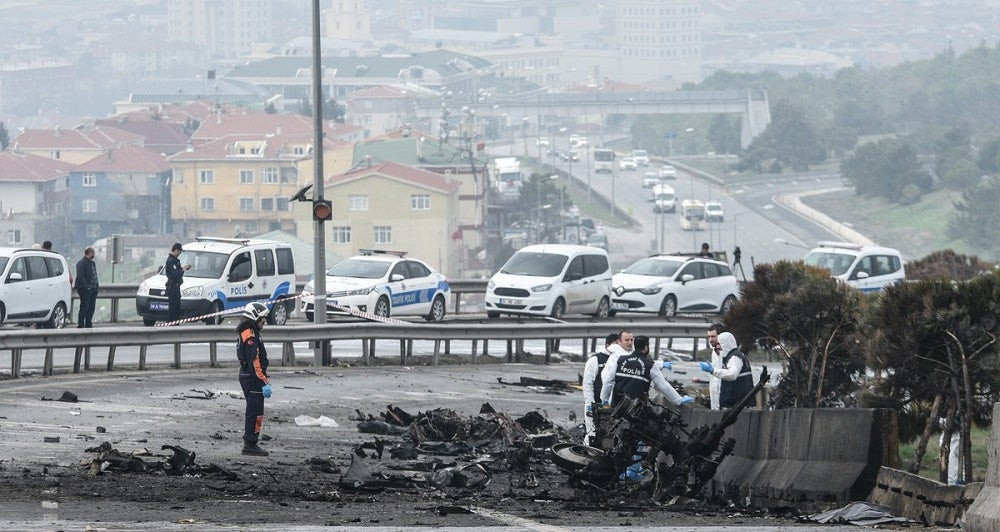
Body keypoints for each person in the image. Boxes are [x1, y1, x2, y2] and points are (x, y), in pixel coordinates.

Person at [599, 335, 693, 407]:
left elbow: (609, 381)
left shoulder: (620, 360)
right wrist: (678, 400)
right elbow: (662, 385)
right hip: (636, 408)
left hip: (617, 405)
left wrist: (604, 399)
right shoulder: (650, 365)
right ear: (646, 347)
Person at [237, 302, 272, 456]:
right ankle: (251, 443)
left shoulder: (249, 332)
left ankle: (251, 441)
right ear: (255, 317)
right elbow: (254, 361)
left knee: (256, 411)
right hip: (252, 378)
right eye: (262, 320)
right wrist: (263, 381)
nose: (264, 323)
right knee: (255, 411)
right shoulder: (250, 334)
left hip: (249, 376)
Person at [582, 333, 626, 445]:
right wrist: (589, 404)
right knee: (593, 434)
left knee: (612, 437)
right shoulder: (595, 360)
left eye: (619, 344)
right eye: (615, 344)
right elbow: (587, 384)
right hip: (597, 404)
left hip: (614, 407)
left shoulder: (621, 359)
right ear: (607, 345)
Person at [698, 331, 754, 409]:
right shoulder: (732, 356)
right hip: (737, 404)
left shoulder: (735, 357)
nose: (718, 347)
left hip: (739, 404)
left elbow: (732, 375)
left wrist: (713, 370)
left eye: (719, 344)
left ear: (726, 344)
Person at [164, 242, 190, 323]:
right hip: (172, 287)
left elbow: (178, 271)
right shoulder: (171, 261)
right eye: (179, 252)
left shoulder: (175, 261)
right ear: (176, 250)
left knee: (177, 307)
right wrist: (183, 270)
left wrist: (184, 268)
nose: (179, 254)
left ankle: (175, 323)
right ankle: (170, 324)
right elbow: (175, 274)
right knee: (173, 307)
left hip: (176, 286)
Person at [74, 247, 99, 328]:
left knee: (91, 307)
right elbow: (80, 277)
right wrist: (86, 287)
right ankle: (81, 324)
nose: (94, 254)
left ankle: (89, 323)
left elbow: (94, 275)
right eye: (93, 252)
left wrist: (96, 286)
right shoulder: (81, 263)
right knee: (84, 307)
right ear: (89, 253)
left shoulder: (92, 263)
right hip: (85, 290)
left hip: (93, 289)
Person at [706, 323, 724, 410]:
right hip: (714, 391)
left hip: (723, 394)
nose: (710, 340)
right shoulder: (714, 351)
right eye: (709, 337)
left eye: (713, 336)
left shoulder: (727, 352)